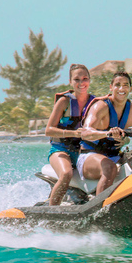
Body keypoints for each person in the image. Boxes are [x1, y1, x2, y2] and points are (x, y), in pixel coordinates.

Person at [44, 64, 95, 205]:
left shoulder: (96, 103)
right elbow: (48, 130)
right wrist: (73, 133)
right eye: (76, 79)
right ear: (70, 82)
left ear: (89, 80)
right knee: (66, 174)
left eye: (84, 78)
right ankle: (52, 211)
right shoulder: (64, 102)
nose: (81, 83)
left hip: (83, 152)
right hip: (60, 150)